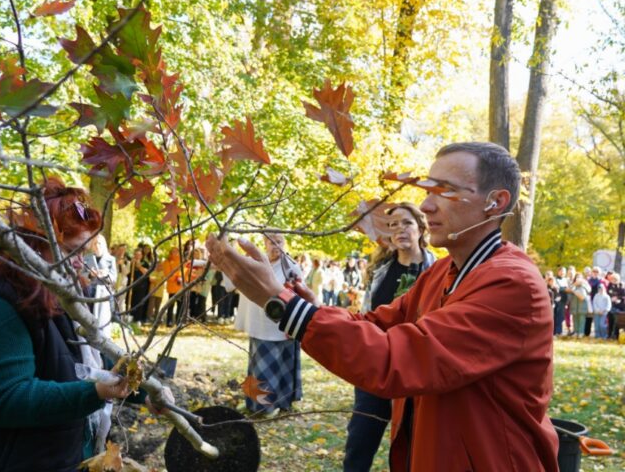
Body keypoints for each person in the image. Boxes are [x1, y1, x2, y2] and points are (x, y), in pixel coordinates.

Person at [207, 142, 559, 470]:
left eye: (445, 191)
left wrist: (281, 305)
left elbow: (399, 358)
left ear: (495, 202)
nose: (426, 206)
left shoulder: (513, 285)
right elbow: (377, 324)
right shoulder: (442, 272)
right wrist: (308, 306)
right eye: (427, 191)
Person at [0, 178, 136, 471]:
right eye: (72, 252)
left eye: (86, 254)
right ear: (34, 246)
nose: (82, 265)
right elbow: (3, 399)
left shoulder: (54, 295)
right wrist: (96, 392)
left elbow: (69, 361)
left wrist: (139, 385)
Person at [345, 202, 435, 472]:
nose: (400, 230)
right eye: (393, 225)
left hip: (416, 371)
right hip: (376, 367)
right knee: (359, 442)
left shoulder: (438, 271)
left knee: (412, 448)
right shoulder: (379, 271)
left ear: (420, 228)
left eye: (406, 223)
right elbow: (368, 316)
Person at [233, 233, 303, 416]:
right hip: (259, 325)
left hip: (280, 328)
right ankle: (252, 402)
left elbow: (298, 294)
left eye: (278, 241)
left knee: (274, 367)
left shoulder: (291, 267)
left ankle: (270, 405)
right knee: (255, 364)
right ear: (264, 244)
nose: (274, 246)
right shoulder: (260, 263)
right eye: (270, 242)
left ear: (284, 243)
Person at [127, 246, 150, 324]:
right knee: (130, 301)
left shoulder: (145, 263)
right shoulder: (130, 262)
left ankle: (138, 319)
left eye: (139, 255)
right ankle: (129, 316)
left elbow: (147, 273)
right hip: (131, 285)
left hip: (141, 286)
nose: (137, 256)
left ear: (142, 255)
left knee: (139, 302)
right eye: (136, 254)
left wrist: (139, 266)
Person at [568, 273, 591, 337]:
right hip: (574, 305)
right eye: (577, 277)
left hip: (582, 305)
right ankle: (576, 331)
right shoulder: (573, 284)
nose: (578, 279)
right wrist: (574, 285)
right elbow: (569, 290)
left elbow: (589, 290)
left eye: (580, 277)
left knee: (582, 319)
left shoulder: (585, 284)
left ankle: (581, 332)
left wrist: (583, 285)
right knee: (575, 319)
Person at [607, 272, 623, 339]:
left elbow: (623, 296)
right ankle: (609, 335)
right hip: (611, 306)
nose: (614, 281)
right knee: (610, 321)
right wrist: (611, 298)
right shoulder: (609, 285)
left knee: (617, 322)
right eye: (613, 279)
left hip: (619, 307)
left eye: (615, 279)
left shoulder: (622, 286)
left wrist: (618, 298)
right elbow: (607, 294)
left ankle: (616, 336)